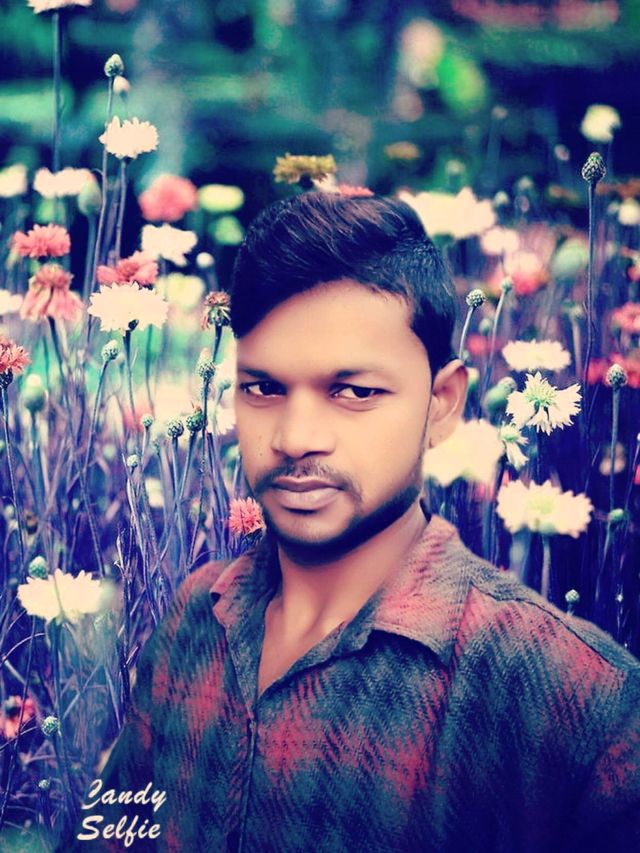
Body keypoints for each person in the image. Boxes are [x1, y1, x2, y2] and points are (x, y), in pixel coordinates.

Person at [64, 191, 640, 853]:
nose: (295, 437)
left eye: (355, 392)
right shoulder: (195, 619)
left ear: (442, 403)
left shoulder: (575, 702)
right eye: (263, 388)